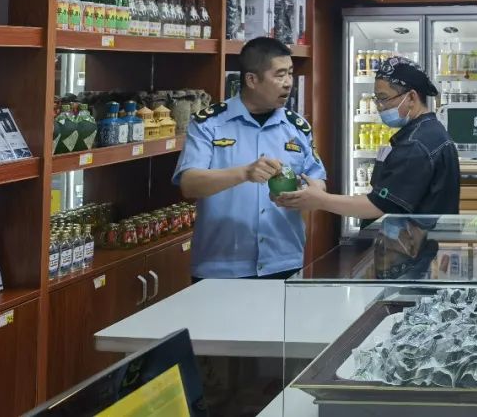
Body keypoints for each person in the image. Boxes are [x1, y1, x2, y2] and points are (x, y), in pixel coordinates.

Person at [173, 37, 326, 280]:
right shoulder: (209, 124)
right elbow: (189, 184)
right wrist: (244, 173)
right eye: (279, 75)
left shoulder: (297, 127)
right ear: (252, 80)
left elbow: (318, 182)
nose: (288, 83)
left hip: (284, 262)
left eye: (290, 74)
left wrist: (306, 192)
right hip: (221, 269)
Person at [275, 56, 460, 223]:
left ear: (411, 97)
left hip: (415, 244)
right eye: (376, 99)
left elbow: (378, 206)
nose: (379, 106)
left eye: (384, 98)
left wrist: (321, 200)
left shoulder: (416, 144)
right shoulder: (431, 132)